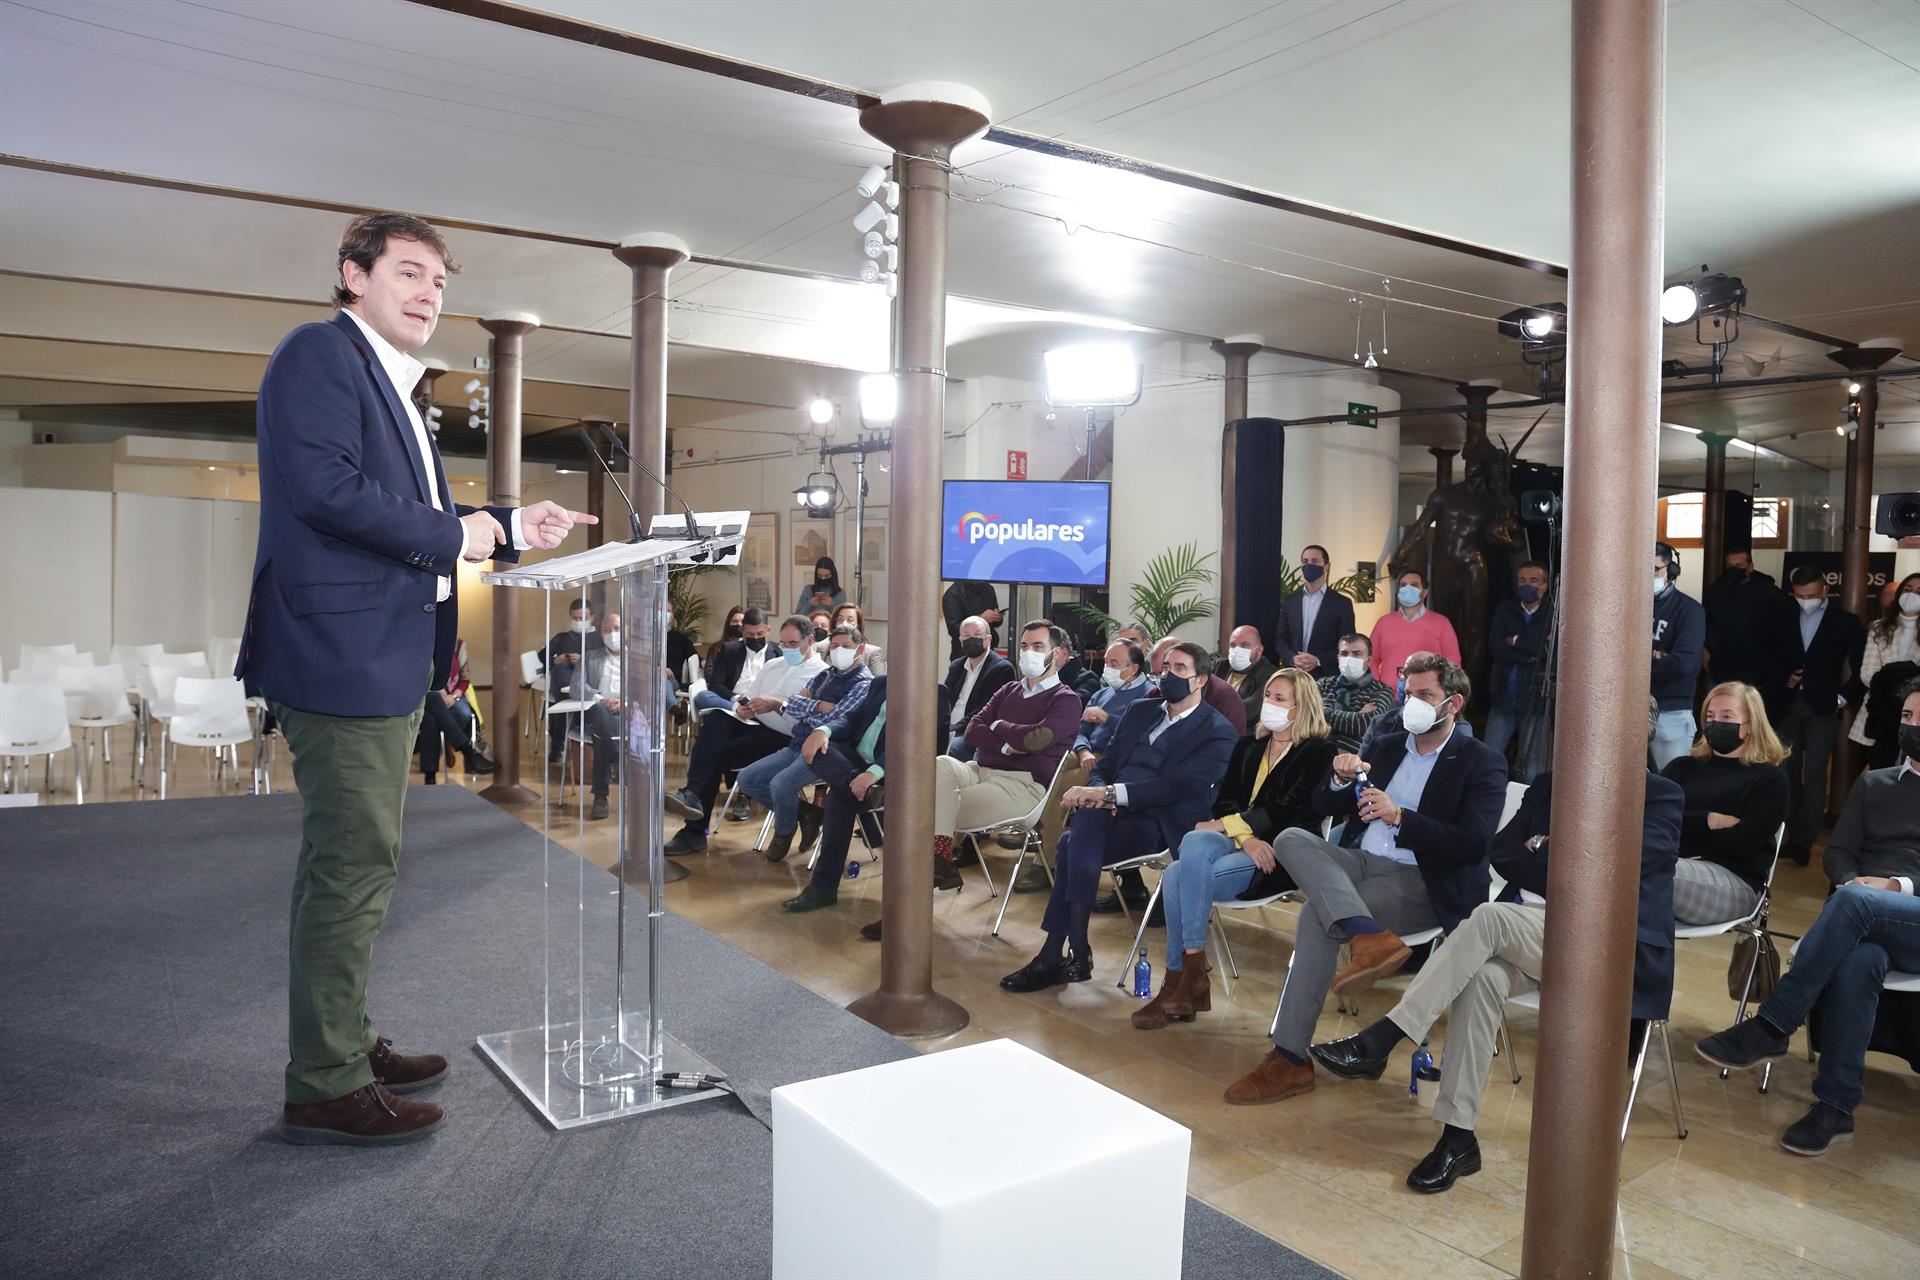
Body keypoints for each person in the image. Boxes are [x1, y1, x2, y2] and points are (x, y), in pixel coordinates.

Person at [239, 211, 596, 1145]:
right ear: (353, 276)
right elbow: (326, 492)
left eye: (439, 282)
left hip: (378, 657)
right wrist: (458, 534)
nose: (428, 293)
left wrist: (508, 525)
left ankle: (345, 1042)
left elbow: (405, 507)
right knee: (351, 869)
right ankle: (323, 1078)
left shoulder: (389, 381)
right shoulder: (318, 354)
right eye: (408, 272)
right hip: (338, 656)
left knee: (355, 864)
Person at [1309, 700, 1682, 1192]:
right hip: (1531, 933)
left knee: (1487, 917)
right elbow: (1505, 850)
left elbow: (1633, 865)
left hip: (1604, 946)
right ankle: (1458, 1137)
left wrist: (1546, 848)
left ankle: (1385, 1038)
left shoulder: (1661, 795)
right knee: (1481, 978)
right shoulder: (1551, 783)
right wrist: (1564, 857)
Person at [1223, 652, 1507, 1106]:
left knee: (1318, 916)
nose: (1411, 703)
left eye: (1425, 695)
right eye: (1408, 693)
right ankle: (1368, 935)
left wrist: (1402, 819)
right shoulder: (1389, 742)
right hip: (1359, 863)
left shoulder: (1481, 761)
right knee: (1294, 836)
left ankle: (1289, 1057)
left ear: (1452, 704)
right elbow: (1325, 806)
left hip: (1422, 879)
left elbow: (1473, 844)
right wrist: (1338, 780)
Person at [1695, 681, 1920, 1156]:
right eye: (1906, 718)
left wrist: (1894, 887)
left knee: (1855, 904)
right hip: (1864, 913)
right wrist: (1852, 882)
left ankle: (1774, 1024)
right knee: (1860, 959)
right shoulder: (1875, 783)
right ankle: (1835, 1108)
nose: (1912, 727)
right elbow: (1838, 851)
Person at [1000, 642, 1236, 993]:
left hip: (1159, 823)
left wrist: (1110, 795)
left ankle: (1062, 951)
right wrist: (1099, 790)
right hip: (1109, 813)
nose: (1168, 675)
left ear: (1201, 679)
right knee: (1083, 827)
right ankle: (1071, 951)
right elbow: (1106, 763)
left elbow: (1176, 788)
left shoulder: (1217, 730)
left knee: (1070, 843)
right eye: (1166, 667)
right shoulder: (1142, 710)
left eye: (1180, 669)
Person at [1133, 669, 1338, 1029]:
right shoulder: (1249, 745)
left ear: (1301, 706)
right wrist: (1245, 837)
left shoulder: (1318, 751)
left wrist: (1234, 830)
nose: (1268, 704)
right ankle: (1192, 968)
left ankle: (1179, 981)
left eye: (1279, 699)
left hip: (1280, 852)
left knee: (1178, 873)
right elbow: (1224, 801)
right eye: (1269, 695)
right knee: (1194, 842)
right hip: (1246, 841)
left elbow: (1288, 809)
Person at [933, 621, 1084, 891]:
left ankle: (928, 874)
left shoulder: (1066, 699)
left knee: (927, 809)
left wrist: (999, 725)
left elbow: (1036, 739)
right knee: (941, 764)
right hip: (981, 770)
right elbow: (971, 731)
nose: (1028, 653)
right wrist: (1004, 745)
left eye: (1038, 646)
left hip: (1023, 786)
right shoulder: (1009, 690)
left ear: (1058, 654)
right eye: (1024, 646)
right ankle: (940, 859)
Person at [663, 615, 824, 853]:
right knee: (716, 720)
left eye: (793, 644)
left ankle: (694, 825)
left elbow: (811, 720)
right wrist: (746, 707)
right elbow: (748, 695)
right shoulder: (773, 665)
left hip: (785, 735)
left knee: (713, 757)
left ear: (809, 640)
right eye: (783, 643)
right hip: (753, 723)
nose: (787, 649)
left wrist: (775, 704)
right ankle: (693, 794)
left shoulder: (821, 673)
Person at [736, 623, 873, 863]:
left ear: (860, 648)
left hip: (828, 751)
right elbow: (796, 704)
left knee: (780, 784)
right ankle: (806, 813)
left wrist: (809, 705)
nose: (839, 650)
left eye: (846, 646)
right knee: (747, 779)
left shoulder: (864, 683)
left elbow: (836, 718)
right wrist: (817, 705)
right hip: (798, 741)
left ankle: (783, 833)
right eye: (834, 646)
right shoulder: (826, 674)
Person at [1658, 682, 1790, 924]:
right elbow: (1653, 819)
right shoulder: (1682, 767)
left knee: (1643, 868)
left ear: (1750, 725)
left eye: (1726, 716)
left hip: (1734, 882)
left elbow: (1742, 844)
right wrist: (1710, 820)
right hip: (1672, 864)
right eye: (1710, 716)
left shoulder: (1769, 779)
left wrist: (1682, 825)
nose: (1715, 722)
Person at [1777, 566, 1866, 864]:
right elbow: (1768, 654)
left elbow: (1863, 666)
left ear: (1825, 590)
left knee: (1815, 773)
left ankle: (1805, 838)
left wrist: (1842, 696)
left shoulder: (1845, 622)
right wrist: (1781, 682)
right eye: (1800, 596)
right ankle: (1785, 833)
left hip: (1822, 707)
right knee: (1786, 771)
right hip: (1786, 704)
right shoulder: (1783, 614)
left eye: (1812, 595)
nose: (1806, 601)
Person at [781, 674, 891, 913]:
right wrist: (823, 730)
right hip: (854, 767)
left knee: (838, 800)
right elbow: (852, 719)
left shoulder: (934, 692)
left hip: (892, 773)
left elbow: (922, 744)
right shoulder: (881, 683)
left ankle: (822, 888)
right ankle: (851, 782)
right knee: (819, 748)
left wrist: (875, 772)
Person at [1482, 560, 1552, 780]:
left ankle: (1526, 809)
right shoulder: (1506, 610)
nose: (1527, 585)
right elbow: (1497, 647)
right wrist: (1533, 655)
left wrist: (1517, 641)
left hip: (1535, 702)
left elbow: (1551, 650)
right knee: (1488, 757)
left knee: (1532, 762)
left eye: (1533, 581)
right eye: (1522, 580)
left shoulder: (1553, 613)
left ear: (1544, 585)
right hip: (1504, 699)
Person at [1703, 549, 1791, 710]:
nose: (1734, 569)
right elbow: (1705, 624)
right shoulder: (1716, 590)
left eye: (1739, 565)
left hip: (1757, 675)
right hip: (1720, 670)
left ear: (1750, 567)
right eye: (1730, 566)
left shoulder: (1770, 594)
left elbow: (1782, 634)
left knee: (1753, 721)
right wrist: (1705, 652)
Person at [1849, 572, 1920, 769]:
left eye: (1918, 592)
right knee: (1880, 771)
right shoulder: (1879, 628)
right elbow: (1867, 673)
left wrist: (1891, 678)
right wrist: (1900, 681)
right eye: (1907, 590)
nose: (1912, 595)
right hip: (1880, 713)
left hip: (1916, 714)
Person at [1650, 542, 1706, 769]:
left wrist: (1636, 660)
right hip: (1625, 707)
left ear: (1671, 571)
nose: (1649, 575)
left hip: (1671, 711)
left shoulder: (1690, 610)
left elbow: (1684, 664)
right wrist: (1658, 655)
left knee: (1671, 782)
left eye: (1655, 568)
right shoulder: (1624, 605)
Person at [1368, 569, 1461, 691]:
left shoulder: (1441, 623)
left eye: (1414, 585)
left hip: (1426, 697)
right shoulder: (1383, 622)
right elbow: (1371, 658)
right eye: (1403, 585)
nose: (1407, 589)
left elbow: (1453, 661)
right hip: (1388, 696)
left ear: (1424, 592)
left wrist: (1442, 690)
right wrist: (1377, 687)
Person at [417, 638, 494, 782]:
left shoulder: (459, 646)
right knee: (433, 703)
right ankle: (468, 751)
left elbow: (465, 679)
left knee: (432, 719)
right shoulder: (423, 643)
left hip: (449, 697)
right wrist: (439, 691)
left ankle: (430, 776)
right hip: (425, 695)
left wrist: (454, 696)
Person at [942, 614, 1016, 760]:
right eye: (967, 635)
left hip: (974, 731)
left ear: (988, 639)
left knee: (950, 750)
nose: (971, 639)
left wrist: (953, 729)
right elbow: (944, 700)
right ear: (961, 641)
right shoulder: (956, 666)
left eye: (977, 635)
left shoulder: (1001, 669)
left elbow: (986, 711)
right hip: (948, 728)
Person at [1274, 544, 1354, 675]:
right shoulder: (1290, 601)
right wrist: (1292, 658)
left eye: (1315, 561)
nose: (1309, 565)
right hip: (1295, 674)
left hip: (1326, 676)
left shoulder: (1342, 603)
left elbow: (1347, 644)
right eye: (1305, 561)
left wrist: (1318, 660)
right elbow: (1280, 639)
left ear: (1326, 566)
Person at [1073, 641, 1151, 772]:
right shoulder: (1100, 694)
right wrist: (1083, 751)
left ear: (1133, 669)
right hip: (1085, 754)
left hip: (1118, 762)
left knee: (1061, 787)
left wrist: (1107, 718)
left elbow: (1140, 736)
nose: (1107, 668)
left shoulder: (1150, 694)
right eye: (1106, 662)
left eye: (1114, 664)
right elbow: (1080, 731)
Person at [542, 596, 603, 762]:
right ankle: (557, 747)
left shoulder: (600, 639)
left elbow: (606, 662)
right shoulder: (561, 638)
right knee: (560, 676)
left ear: (592, 617)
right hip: (563, 689)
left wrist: (583, 660)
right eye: (575, 618)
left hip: (590, 686)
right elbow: (542, 658)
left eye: (582, 618)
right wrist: (557, 659)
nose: (578, 622)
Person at [1317, 633, 1397, 753]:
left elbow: (1363, 724)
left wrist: (1321, 712)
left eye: (1356, 654)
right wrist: (1355, 715)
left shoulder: (1382, 690)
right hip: (1315, 749)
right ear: (1338, 657)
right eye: (1344, 654)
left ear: (1369, 661)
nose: (1349, 659)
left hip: (1349, 756)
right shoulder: (1323, 684)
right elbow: (1304, 714)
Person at [690, 607, 772, 715]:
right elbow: (715, 684)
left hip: (763, 706)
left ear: (768, 631)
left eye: (760, 634)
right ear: (742, 632)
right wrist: (735, 699)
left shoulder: (777, 654)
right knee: (703, 696)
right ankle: (738, 709)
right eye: (750, 635)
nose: (755, 638)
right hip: (734, 701)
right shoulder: (729, 650)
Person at [1214, 624, 1279, 735]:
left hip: (1243, 737)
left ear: (1259, 650)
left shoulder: (1271, 675)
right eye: (1233, 645)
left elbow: (1248, 712)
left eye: (1244, 646)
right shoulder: (1219, 666)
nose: (1237, 650)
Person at [821, 601, 885, 675]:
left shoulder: (871, 652)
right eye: (840, 619)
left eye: (850, 620)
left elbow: (877, 683)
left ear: (858, 625)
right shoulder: (822, 648)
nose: (844, 624)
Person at [943, 579, 1003, 658]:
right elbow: (953, 629)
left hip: (988, 650)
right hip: (964, 653)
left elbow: (995, 624)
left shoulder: (988, 589)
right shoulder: (953, 593)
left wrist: (997, 617)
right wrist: (981, 618)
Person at [1054, 635, 1104, 703]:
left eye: (1038, 647)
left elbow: (1070, 705)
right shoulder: (1038, 676)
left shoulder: (1088, 678)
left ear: (1064, 653)